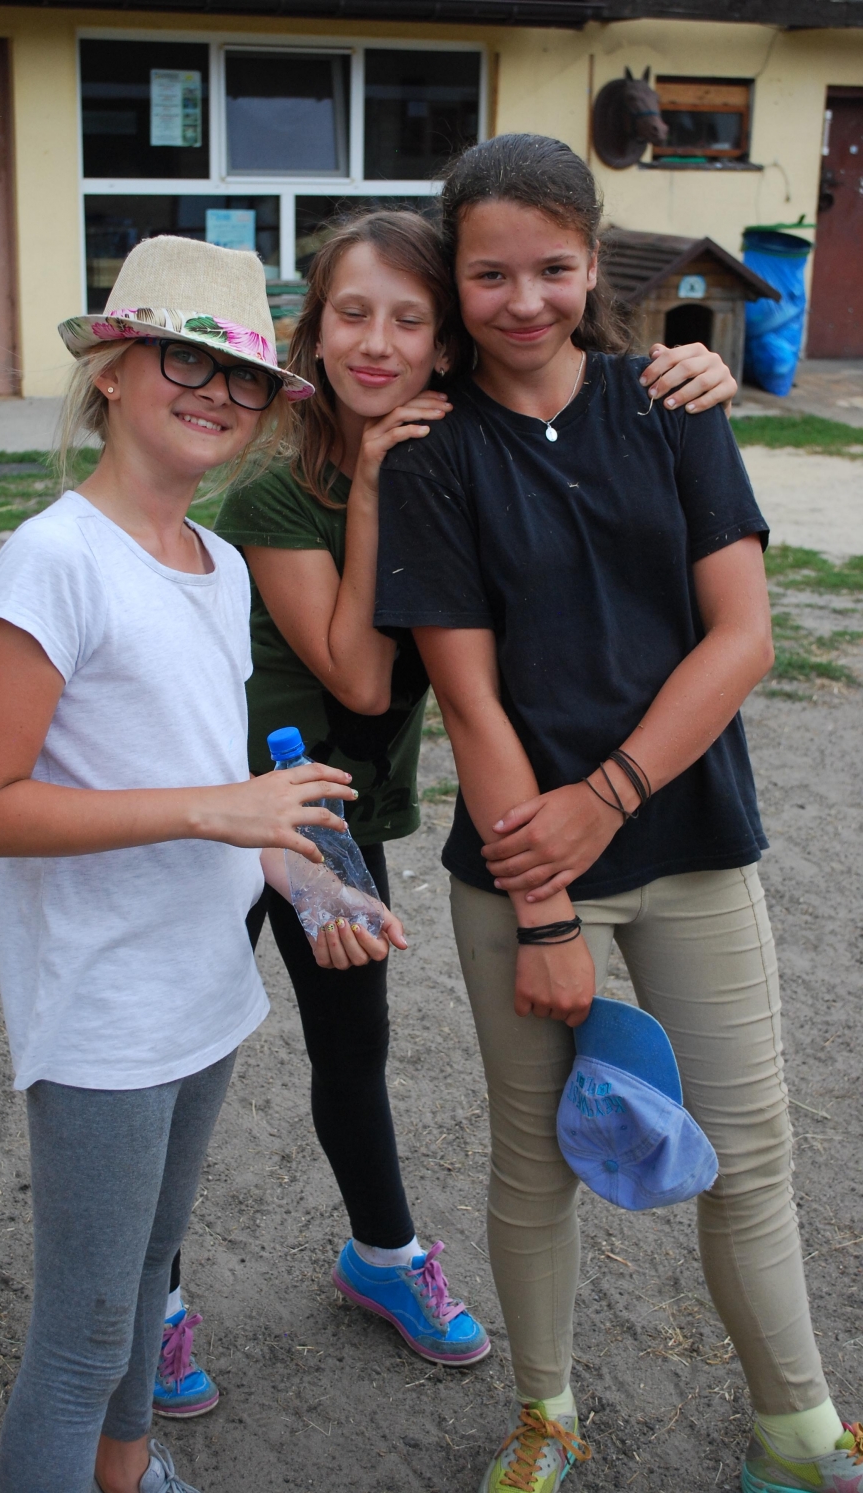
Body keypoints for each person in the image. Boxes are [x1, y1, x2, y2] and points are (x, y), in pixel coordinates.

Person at [157, 210, 741, 1416]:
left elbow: (565, 407)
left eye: (408, 319)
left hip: (342, 811)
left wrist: (681, 373)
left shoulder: (461, 450)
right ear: (311, 334)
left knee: (351, 1043)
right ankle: (148, 1295)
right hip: (231, 808)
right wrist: (377, 484)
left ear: (443, 344)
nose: (375, 342)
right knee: (179, 1052)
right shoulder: (278, 495)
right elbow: (362, 678)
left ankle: (381, 1254)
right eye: (350, 314)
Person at [374, 135, 863, 1493]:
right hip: (522, 862)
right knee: (535, 1164)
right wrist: (545, 910)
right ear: (455, 279)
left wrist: (611, 794)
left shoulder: (672, 402)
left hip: (688, 838)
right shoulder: (432, 450)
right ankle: (546, 1415)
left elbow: (743, 637)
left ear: (593, 262)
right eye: (489, 274)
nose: (522, 299)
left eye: (551, 267)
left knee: (749, 1152)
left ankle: (797, 1431)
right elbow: (467, 699)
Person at [0, 235, 404, 1493]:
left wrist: (309, 878)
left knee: (151, 1269)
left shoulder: (221, 562)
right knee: (81, 1337)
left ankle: (129, 1467)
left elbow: (219, 774)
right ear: (112, 370)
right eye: (184, 359)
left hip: (202, 990)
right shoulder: (55, 557)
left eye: (244, 375)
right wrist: (213, 809)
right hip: (105, 1009)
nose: (217, 392)